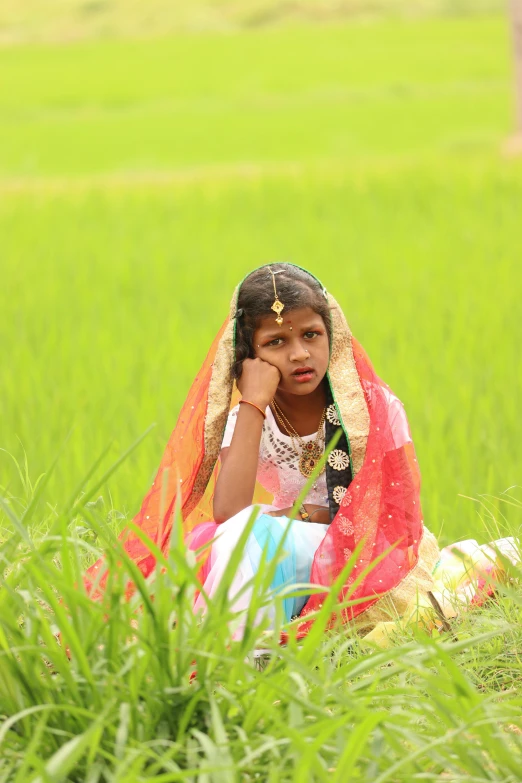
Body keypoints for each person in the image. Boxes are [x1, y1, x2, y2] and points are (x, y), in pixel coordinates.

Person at [86, 263, 518, 642]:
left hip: (364, 553)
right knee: (208, 544)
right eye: (275, 342)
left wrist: (310, 515)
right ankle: (222, 647)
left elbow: (399, 517)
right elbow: (230, 509)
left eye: (311, 334)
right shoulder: (250, 419)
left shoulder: (372, 409)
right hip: (283, 547)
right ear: (248, 354)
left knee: (245, 536)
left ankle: (249, 653)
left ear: (333, 334)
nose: (299, 353)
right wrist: (252, 400)